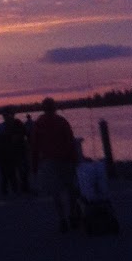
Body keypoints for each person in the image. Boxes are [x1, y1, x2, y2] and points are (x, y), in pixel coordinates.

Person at [30, 99, 79, 232]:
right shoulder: (61, 121)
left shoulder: (39, 124)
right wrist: (75, 159)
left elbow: (35, 146)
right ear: (54, 108)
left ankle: (62, 219)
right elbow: (70, 141)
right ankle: (73, 215)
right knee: (71, 189)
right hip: (65, 159)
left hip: (49, 161)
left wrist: (34, 167)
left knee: (56, 192)